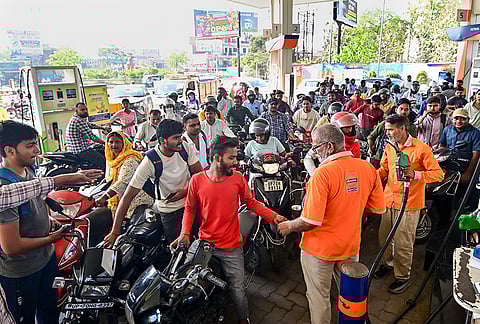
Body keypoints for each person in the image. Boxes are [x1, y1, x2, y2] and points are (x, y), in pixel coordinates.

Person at [171, 136, 287, 324]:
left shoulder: (237, 179)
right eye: (231, 158)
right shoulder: (197, 180)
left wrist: (273, 216)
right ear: (217, 158)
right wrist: (185, 233)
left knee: (238, 291)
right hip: (204, 244)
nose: (235, 162)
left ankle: (243, 319)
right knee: (186, 281)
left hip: (231, 246)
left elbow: (250, 203)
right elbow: (190, 208)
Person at [277, 124, 386, 324]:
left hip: (319, 251)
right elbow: (378, 209)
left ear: (329, 147)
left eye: (316, 147)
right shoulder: (368, 169)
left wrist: (289, 226)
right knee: (350, 297)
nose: (315, 153)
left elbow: (311, 221)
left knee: (320, 299)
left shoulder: (322, 174)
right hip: (350, 247)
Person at [0, 120, 103, 324]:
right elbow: (11, 247)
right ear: (10, 150)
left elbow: (36, 202)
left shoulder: (28, 172)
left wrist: (48, 220)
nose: (37, 150)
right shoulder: (5, 187)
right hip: (20, 272)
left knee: (50, 312)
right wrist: (51, 239)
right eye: (29, 146)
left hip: (45, 261)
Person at [105, 119, 203, 246]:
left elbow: (200, 176)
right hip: (170, 213)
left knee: (201, 245)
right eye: (176, 138)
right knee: (180, 252)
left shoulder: (184, 148)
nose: (180, 141)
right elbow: (127, 197)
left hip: (192, 205)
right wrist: (114, 232)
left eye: (180, 136)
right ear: (163, 141)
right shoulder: (150, 162)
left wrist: (185, 192)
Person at [374, 114, 443, 294]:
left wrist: (416, 175)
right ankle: (388, 264)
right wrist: (371, 178)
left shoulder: (421, 149)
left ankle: (402, 277)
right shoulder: (389, 147)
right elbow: (384, 168)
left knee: (403, 243)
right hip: (389, 200)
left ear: (403, 129)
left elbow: (438, 174)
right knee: (385, 238)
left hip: (409, 204)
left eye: (390, 129)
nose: (387, 133)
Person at [95, 131, 154, 232]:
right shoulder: (111, 159)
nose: (114, 145)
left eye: (117, 142)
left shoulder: (130, 159)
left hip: (135, 199)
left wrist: (104, 197)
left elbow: (123, 182)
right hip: (120, 197)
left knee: (131, 230)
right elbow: (109, 179)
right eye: (111, 142)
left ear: (124, 143)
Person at [439, 108, 480, 208]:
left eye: (462, 119)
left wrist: (467, 174)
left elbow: (476, 155)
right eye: (456, 118)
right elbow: (442, 147)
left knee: (469, 196)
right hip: (449, 165)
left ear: (468, 119)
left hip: (467, 165)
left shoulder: (475, 133)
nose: (458, 121)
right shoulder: (447, 129)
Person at [368, 98, 417, 169]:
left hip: (399, 160)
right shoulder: (385, 123)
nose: (403, 112)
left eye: (406, 109)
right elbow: (371, 137)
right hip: (380, 158)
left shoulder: (411, 127)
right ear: (396, 109)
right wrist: (371, 149)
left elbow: (412, 145)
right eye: (401, 109)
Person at [65, 102, 108, 170]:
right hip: (81, 151)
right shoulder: (78, 121)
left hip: (77, 148)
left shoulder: (77, 118)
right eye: (82, 110)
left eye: (86, 109)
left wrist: (103, 128)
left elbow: (90, 125)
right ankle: (103, 178)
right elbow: (92, 137)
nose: (85, 111)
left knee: (98, 148)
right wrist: (105, 143)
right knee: (104, 162)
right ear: (76, 111)